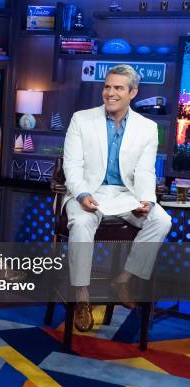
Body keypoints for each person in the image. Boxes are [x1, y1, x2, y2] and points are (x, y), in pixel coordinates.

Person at [63, 64, 172, 332]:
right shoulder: (81, 119)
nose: (110, 93)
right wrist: (82, 194)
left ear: (132, 92)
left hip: (126, 195)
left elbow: (145, 171)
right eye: (107, 87)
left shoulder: (147, 128)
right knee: (81, 223)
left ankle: (123, 279)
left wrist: (147, 199)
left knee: (162, 220)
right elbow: (72, 166)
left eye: (118, 88)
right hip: (89, 191)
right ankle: (82, 297)